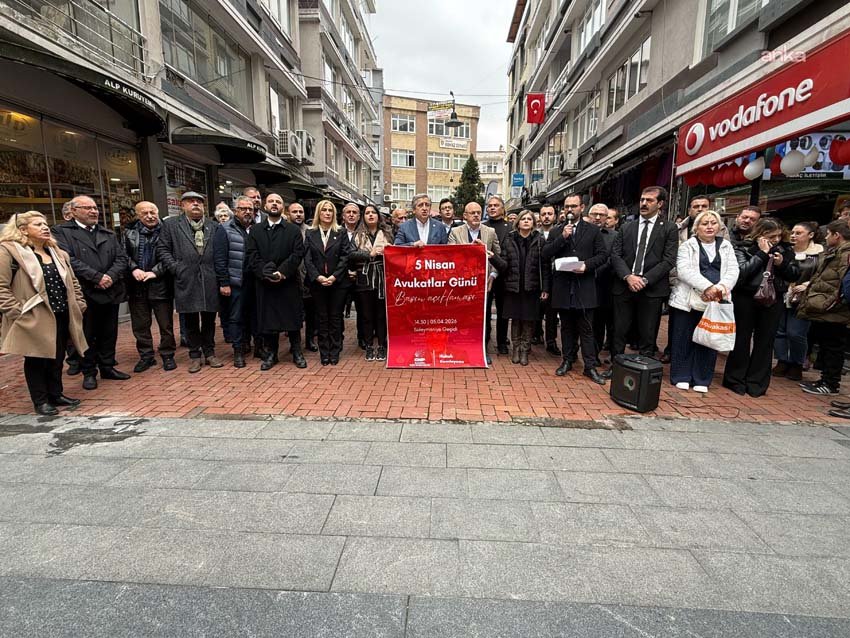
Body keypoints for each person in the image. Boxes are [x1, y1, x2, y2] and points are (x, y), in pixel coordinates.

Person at [0, 212, 87, 415]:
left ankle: (56, 394)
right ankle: (40, 400)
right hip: (33, 314)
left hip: (61, 312)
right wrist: (17, 312)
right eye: (38, 224)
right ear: (23, 230)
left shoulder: (56, 251)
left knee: (57, 356)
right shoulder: (9, 251)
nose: (45, 227)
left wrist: (79, 303)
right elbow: (1, 286)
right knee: (36, 358)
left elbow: (72, 281)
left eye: (45, 223)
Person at [54, 195, 130, 390]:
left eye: (95, 208)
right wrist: (96, 277)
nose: (93, 211)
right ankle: (89, 372)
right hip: (85, 292)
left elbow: (121, 259)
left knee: (109, 333)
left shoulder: (108, 233)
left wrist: (109, 277)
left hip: (110, 291)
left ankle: (108, 366)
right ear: (73, 211)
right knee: (86, 334)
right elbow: (68, 259)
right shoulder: (62, 232)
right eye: (87, 208)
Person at [723, 218, 799, 397]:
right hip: (746, 298)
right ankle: (735, 379)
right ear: (760, 234)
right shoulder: (743, 247)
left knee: (765, 341)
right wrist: (761, 254)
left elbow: (795, 273)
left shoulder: (786, 250)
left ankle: (757, 382)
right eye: (771, 236)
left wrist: (782, 264)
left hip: (773, 299)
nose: (776, 240)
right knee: (741, 339)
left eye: (779, 235)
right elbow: (741, 273)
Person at [668, 210, 739, 393]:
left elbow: (733, 270)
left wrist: (720, 288)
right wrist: (708, 287)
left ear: (719, 227)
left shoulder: (726, 246)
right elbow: (684, 270)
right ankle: (681, 375)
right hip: (688, 300)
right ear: (696, 227)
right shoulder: (687, 245)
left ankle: (702, 377)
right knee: (683, 338)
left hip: (716, 300)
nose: (709, 226)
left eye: (713, 223)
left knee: (709, 339)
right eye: (704, 223)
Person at [543, 195, 608, 384]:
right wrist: (562, 238)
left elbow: (603, 255)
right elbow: (546, 253)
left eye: (573, 206)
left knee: (587, 329)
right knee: (566, 327)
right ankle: (567, 360)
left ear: (582, 207)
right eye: (566, 206)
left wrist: (586, 266)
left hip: (584, 286)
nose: (569, 210)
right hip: (563, 287)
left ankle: (589, 366)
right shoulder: (557, 231)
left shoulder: (593, 230)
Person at [609, 186, 678, 362]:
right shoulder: (627, 227)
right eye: (642, 200)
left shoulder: (669, 228)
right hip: (624, 286)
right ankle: (616, 366)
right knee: (619, 330)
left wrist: (645, 280)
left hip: (652, 289)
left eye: (649, 200)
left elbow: (668, 260)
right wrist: (628, 276)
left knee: (648, 333)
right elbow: (616, 255)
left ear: (660, 203)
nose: (644, 203)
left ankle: (644, 369)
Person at [157, 191, 223, 374]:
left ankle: (209, 353)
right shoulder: (171, 225)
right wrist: (176, 268)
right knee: (190, 319)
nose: (196, 204)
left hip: (209, 278)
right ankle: (195, 355)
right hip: (186, 278)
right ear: (182, 205)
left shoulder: (213, 226)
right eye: (191, 201)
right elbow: (162, 249)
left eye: (199, 202)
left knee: (210, 318)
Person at [246, 193, 306, 370]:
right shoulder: (255, 230)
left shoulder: (293, 230)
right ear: (265, 206)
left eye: (278, 202)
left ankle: (296, 352)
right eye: (271, 201)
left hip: (288, 282)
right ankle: (272, 353)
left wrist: (282, 272)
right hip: (265, 283)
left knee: (292, 319)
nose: (274, 204)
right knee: (269, 320)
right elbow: (251, 254)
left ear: (283, 207)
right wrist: (265, 272)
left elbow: (297, 254)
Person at [796, 220, 850, 395]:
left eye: (829, 234)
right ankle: (825, 380)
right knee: (827, 345)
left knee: (833, 346)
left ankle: (830, 383)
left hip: (834, 310)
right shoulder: (836, 252)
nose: (826, 237)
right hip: (826, 308)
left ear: (837, 235)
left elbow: (845, 282)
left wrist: (831, 302)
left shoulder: (845, 254)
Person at [124, 201, 176, 373]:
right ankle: (146, 356)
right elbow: (122, 254)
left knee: (165, 324)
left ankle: (168, 355)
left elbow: (172, 255)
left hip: (160, 283)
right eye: (144, 213)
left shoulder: (167, 230)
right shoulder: (129, 232)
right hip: (137, 285)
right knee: (140, 324)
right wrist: (134, 268)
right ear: (138, 215)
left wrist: (155, 272)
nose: (150, 216)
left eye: (152, 212)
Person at [773, 221, 823, 381]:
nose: (794, 236)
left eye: (799, 233)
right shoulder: (785, 250)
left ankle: (797, 363)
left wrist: (807, 285)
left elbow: (823, 275)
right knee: (779, 331)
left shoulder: (819, 254)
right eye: (793, 232)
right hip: (782, 295)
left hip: (803, 298)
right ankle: (782, 361)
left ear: (811, 235)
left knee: (796, 333)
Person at [304, 200, 351, 365]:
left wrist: (334, 276)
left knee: (335, 317)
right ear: (319, 212)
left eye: (330, 210)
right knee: (322, 318)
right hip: (318, 283)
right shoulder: (310, 233)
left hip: (337, 283)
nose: (327, 213)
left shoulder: (341, 232)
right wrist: (317, 277)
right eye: (324, 210)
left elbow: (345, 256)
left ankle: (335, 350)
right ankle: (324, 351)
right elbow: (307, 259)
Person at [501, 210, 550, 366]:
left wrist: (545, 288)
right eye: (524, 219)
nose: (526, 221)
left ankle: (524, 350)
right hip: (514, 286)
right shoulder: (509, 239)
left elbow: (545, 266)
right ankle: (515, 349)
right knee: (515, 319)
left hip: (532, 287)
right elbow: (503, 263)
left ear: (534, 223)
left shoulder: (540, 240)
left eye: (529, 219)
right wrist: (492, 258)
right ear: (518, 222)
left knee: (528, 320)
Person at [348, 204, 393, 361]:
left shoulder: (387, 233)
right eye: (367, 213)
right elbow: (351, 255)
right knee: (366, 315)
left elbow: (396, 251)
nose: (371, 215)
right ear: (364, 216)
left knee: (381, 314)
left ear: (378, 216)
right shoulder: (357, 234)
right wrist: (370, 254)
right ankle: (368, 346)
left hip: (382, 277)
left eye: (373, 212)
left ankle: (381, 345)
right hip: (364, 278)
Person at [213, 196, 254, 368]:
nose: (247, 212)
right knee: (235, 318)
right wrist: (224, 283)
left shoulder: (255, 229)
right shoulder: (224, 229)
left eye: (250, 209)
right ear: (235, 211)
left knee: (251, 316)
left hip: (253, 281)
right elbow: (220, 259)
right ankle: (238, 351)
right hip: (235, 282)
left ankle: (247, 344)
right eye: (243, 209)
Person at [287, 201, 317, 352]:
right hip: (290, 279)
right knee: (294, 313)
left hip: (309, 278)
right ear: (288, 213)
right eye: (295, 211)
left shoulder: (310, 231)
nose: (298, 214)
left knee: (311, 313)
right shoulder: (284, 230)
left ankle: (310, 340)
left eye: (301, 212)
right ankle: (295, 343)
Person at [483, 195, 511, 354]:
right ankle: (485, 341)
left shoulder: (510, 227)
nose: (492, 208)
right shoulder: (482, 226)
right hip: (485, 276)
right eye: (489, 206)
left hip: (504, 274)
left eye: (496, 205)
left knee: (503, 311)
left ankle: (501, 342)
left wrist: (497, 271)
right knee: (485, 310)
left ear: (503, 208)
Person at [587, 203, 615, 359]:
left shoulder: (614, 236)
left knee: (599, 323)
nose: (597, 218)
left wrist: (592, 269)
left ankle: (594, 354)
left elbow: (613, 258)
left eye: (602, 215)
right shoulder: (581, 233)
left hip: (604, 286)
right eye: (594, 214)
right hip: (582, 284)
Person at [534, 204, 559, 353]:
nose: (547, 217)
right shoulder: (535, 234)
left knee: (552, 312)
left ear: (554, 216)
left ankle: (551, 341)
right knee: (536, 309)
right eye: (544, 214)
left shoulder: (560, 233)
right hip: (538, 278)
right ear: (540, 216)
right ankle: (537, 334)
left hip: (556, 279)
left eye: (550, 214)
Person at [341, 203, 365, 348]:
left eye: (354, 212)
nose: (351, 215)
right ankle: (339, 339)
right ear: (343, 216)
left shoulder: (363, 233)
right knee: (338, 311)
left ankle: (361, 338)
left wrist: (356, 271)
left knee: (362, 310)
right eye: (348, 212)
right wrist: (346, 271)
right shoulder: (336, 231)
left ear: (358, 216)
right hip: (341, 277)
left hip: (359, 277)